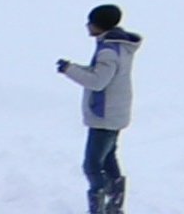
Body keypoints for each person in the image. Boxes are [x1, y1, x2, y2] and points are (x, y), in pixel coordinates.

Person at [51, 12, 136, 209]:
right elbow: (100, 74)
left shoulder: (108, 51)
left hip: (105, 115)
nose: (87, 25)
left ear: (100, 25)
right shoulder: (118, 46)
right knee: (108, 159)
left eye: (91, 22)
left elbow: (98, 82)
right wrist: (74, 67)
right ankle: (114, 205)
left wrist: (68, 71)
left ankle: (100, 206)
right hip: (114, 112)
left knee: (92, 165)